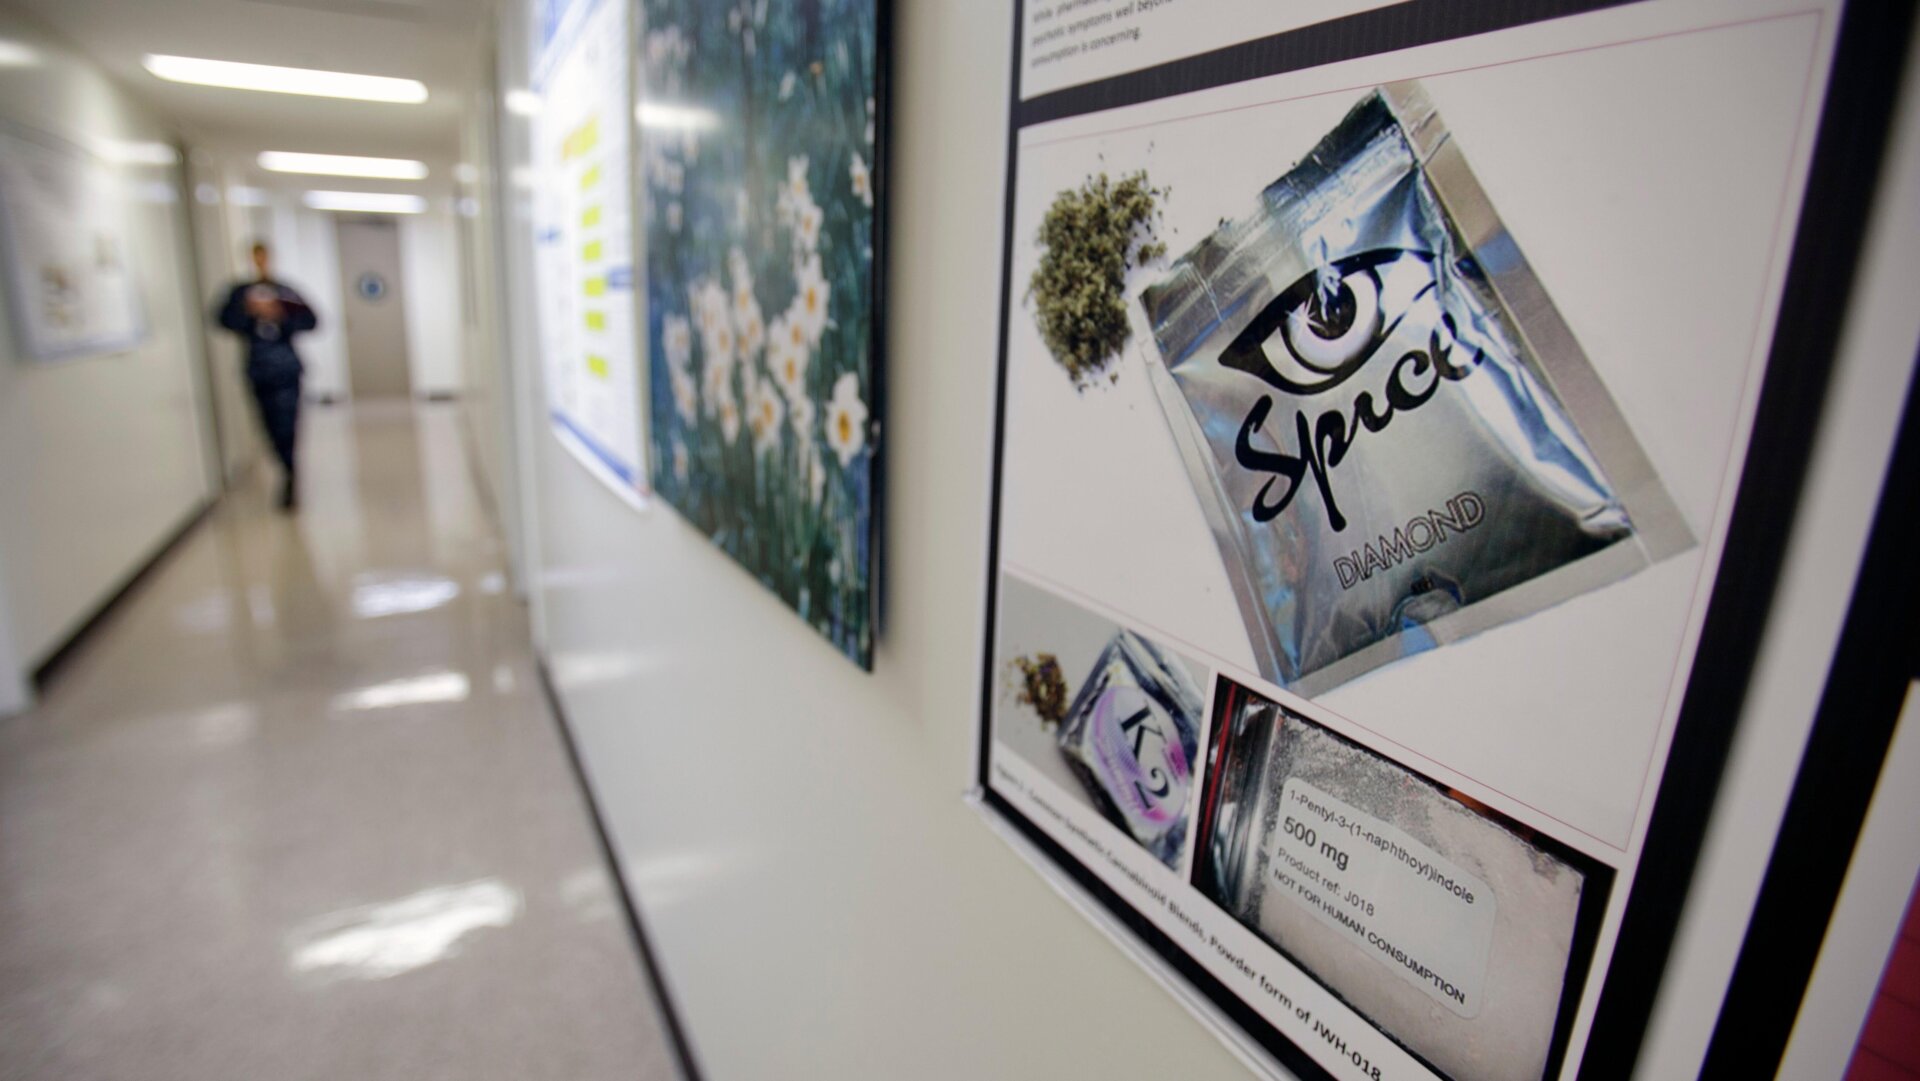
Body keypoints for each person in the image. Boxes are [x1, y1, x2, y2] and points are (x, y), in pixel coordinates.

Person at [218, 242, 317, 510]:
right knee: (268, 425)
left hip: (285, 368)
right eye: (256, 257)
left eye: (265, 257)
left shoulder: (286, 291)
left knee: (287, 423)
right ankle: (283, 463)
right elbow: (223, 320)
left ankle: (289, 472)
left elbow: (311, 320)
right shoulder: (240, 293)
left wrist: (280, 316)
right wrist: (250, 314)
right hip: (258, 369)